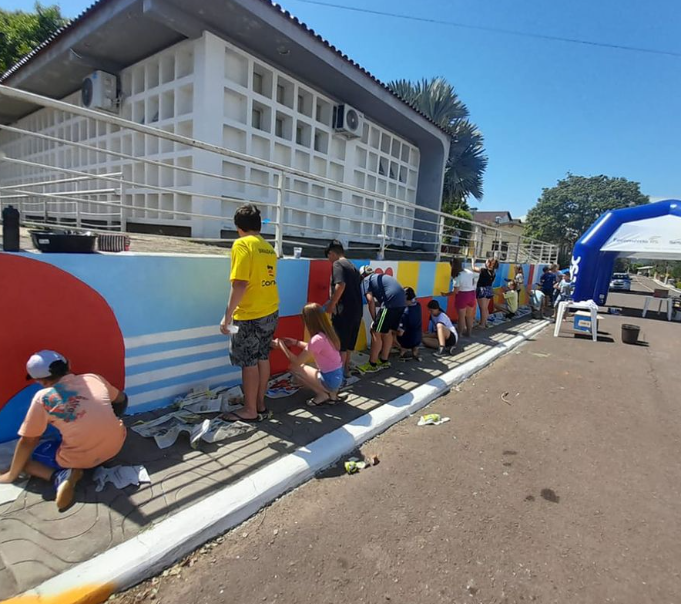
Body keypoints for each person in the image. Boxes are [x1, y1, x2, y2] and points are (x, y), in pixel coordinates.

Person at [0, 351, 128, 511]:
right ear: (69, 364)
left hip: (83, 459)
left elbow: (28, 441)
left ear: (41, 381)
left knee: (25, 461)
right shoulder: (93, 378)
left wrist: (11, 475)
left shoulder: (44, 398)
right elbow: (122, 399)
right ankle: (99, 455)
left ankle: (59, 476)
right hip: (116, 445)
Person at [220, 204, 279, 422]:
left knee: (249, 362)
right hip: (271, 310)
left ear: (238, 227)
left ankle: (250, 410)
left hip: (250, 314)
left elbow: (240, 284)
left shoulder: (242, 244)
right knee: (262, 356)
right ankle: (259, 403)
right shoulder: (268, 247)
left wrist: (227, 317)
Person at [275, 303, 344, 407]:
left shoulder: (317, 339)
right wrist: (296, 342)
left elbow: (297, 362)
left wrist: (281, 346)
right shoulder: (328, 333)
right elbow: (313, 348)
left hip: (329, 379)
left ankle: (322, 395)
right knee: (309, 369)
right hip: (337, 377)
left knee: (294, 368)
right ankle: (332, 394)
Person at [324, 240, 363, 379]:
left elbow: (340, 285)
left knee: (340, 344)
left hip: (344, 312)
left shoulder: (338, 264)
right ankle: (345, 370)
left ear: (332, 253)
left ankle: (338, 375)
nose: (329, 260)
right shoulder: (352, 266)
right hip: (356, 311)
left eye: (328, 256)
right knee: (348, 345)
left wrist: (331, 304)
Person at [356, 266, 406, 374]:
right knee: (387, 331)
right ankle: (384, 360)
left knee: (375, 331)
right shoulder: (378, 277)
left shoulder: (366, 280)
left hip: (390, 304)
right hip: (402, 303)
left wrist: (375, 320)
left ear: (362, 276)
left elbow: (370, 301)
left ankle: (372, 364)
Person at [442, 258, 478, 338]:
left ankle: (460, 333)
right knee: (469, 316)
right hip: (472, 294)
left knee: (461, 317)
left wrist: (446, 294)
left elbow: (455, 291)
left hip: (462, 296)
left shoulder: (457, 276)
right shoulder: (469, 272)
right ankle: (469, 332)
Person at [396, 287, 422, 361]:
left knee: (389, 332)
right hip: (418, 339)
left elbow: (400, 333)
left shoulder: (405, 313)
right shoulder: (418, 306)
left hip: (407, 341)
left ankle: (403, 350)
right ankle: (415, 350)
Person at [473, 258, 498, 329]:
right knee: (485, 308)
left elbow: (473, 268)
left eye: (486, 261)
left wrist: (473, 262)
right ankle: (484, 322)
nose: (485, 262)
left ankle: (482, 324)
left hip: (482, 290)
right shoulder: (493, 273)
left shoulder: (483, 270)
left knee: (482, 308)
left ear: (489, 263)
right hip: (489, 290)